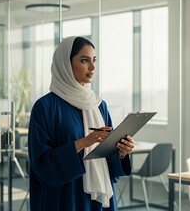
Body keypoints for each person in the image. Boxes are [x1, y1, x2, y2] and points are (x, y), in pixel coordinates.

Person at [28, 36, 135, 210]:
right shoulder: (45, 107)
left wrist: (122, 151)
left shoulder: (99, 105)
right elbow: (41, 163)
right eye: (84, 60)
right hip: (66, 196)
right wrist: (84, 142)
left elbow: (109, 151)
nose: (92, 67)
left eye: (94, 60)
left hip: (98, 198)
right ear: (65, 63)